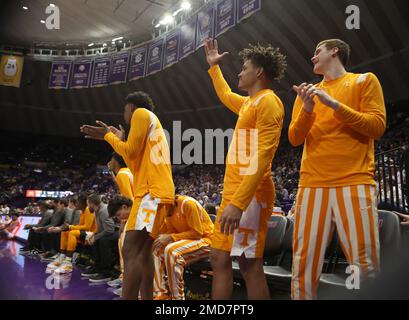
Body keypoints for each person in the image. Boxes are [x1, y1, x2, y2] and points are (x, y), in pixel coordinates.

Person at [288, 39, 386, 300]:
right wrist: (308, 109)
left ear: (335, 51)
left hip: (355, 182)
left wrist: (334, 105)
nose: (312, 57)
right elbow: (295, 138)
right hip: (311, 185)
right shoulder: (307, 93)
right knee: (302, 265)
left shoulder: (364, 80)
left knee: (364, 264)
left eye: (317, 50)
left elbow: (377, 126)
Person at [204, 39, 286, 299]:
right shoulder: (249, 103)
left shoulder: (269, 102)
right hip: (237, 192)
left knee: (250, 264)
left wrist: (238, 203)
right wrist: (214, 68)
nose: (239, 72)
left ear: (258, 72)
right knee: (219, 258)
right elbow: (226, 95)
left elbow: (263, 157)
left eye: (244, 67)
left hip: (250, 195)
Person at [80, 91, 175, 300]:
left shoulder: (141, 113)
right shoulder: (150, 126)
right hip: (156, 192)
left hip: (151, 193)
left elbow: (130, 152)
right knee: (143, 252)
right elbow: (134, 162)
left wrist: (108, 136)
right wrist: (120, 139)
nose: (124, 113)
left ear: (131, 107)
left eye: (124, 109)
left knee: (130, 249)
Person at [153, 195, 214, 300]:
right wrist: (164, 237)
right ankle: (161, 293)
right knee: (156, 248)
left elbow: (197, 233)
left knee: (171, 251)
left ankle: (177, 297)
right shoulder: (167, 210)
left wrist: (171, 237)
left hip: (207, 240)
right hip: (190, 242)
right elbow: (173, 232)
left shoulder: (187, 204)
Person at [106, 152, 134, 292]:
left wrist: (124, 221)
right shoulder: (126, 172)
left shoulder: (123, 174)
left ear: (116, 161)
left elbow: (128, 200)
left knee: (124, 246)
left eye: (111, 158)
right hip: (138, 214)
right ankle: (125, 278)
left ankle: (127, 282)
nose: (109, 161)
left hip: (133, 215)